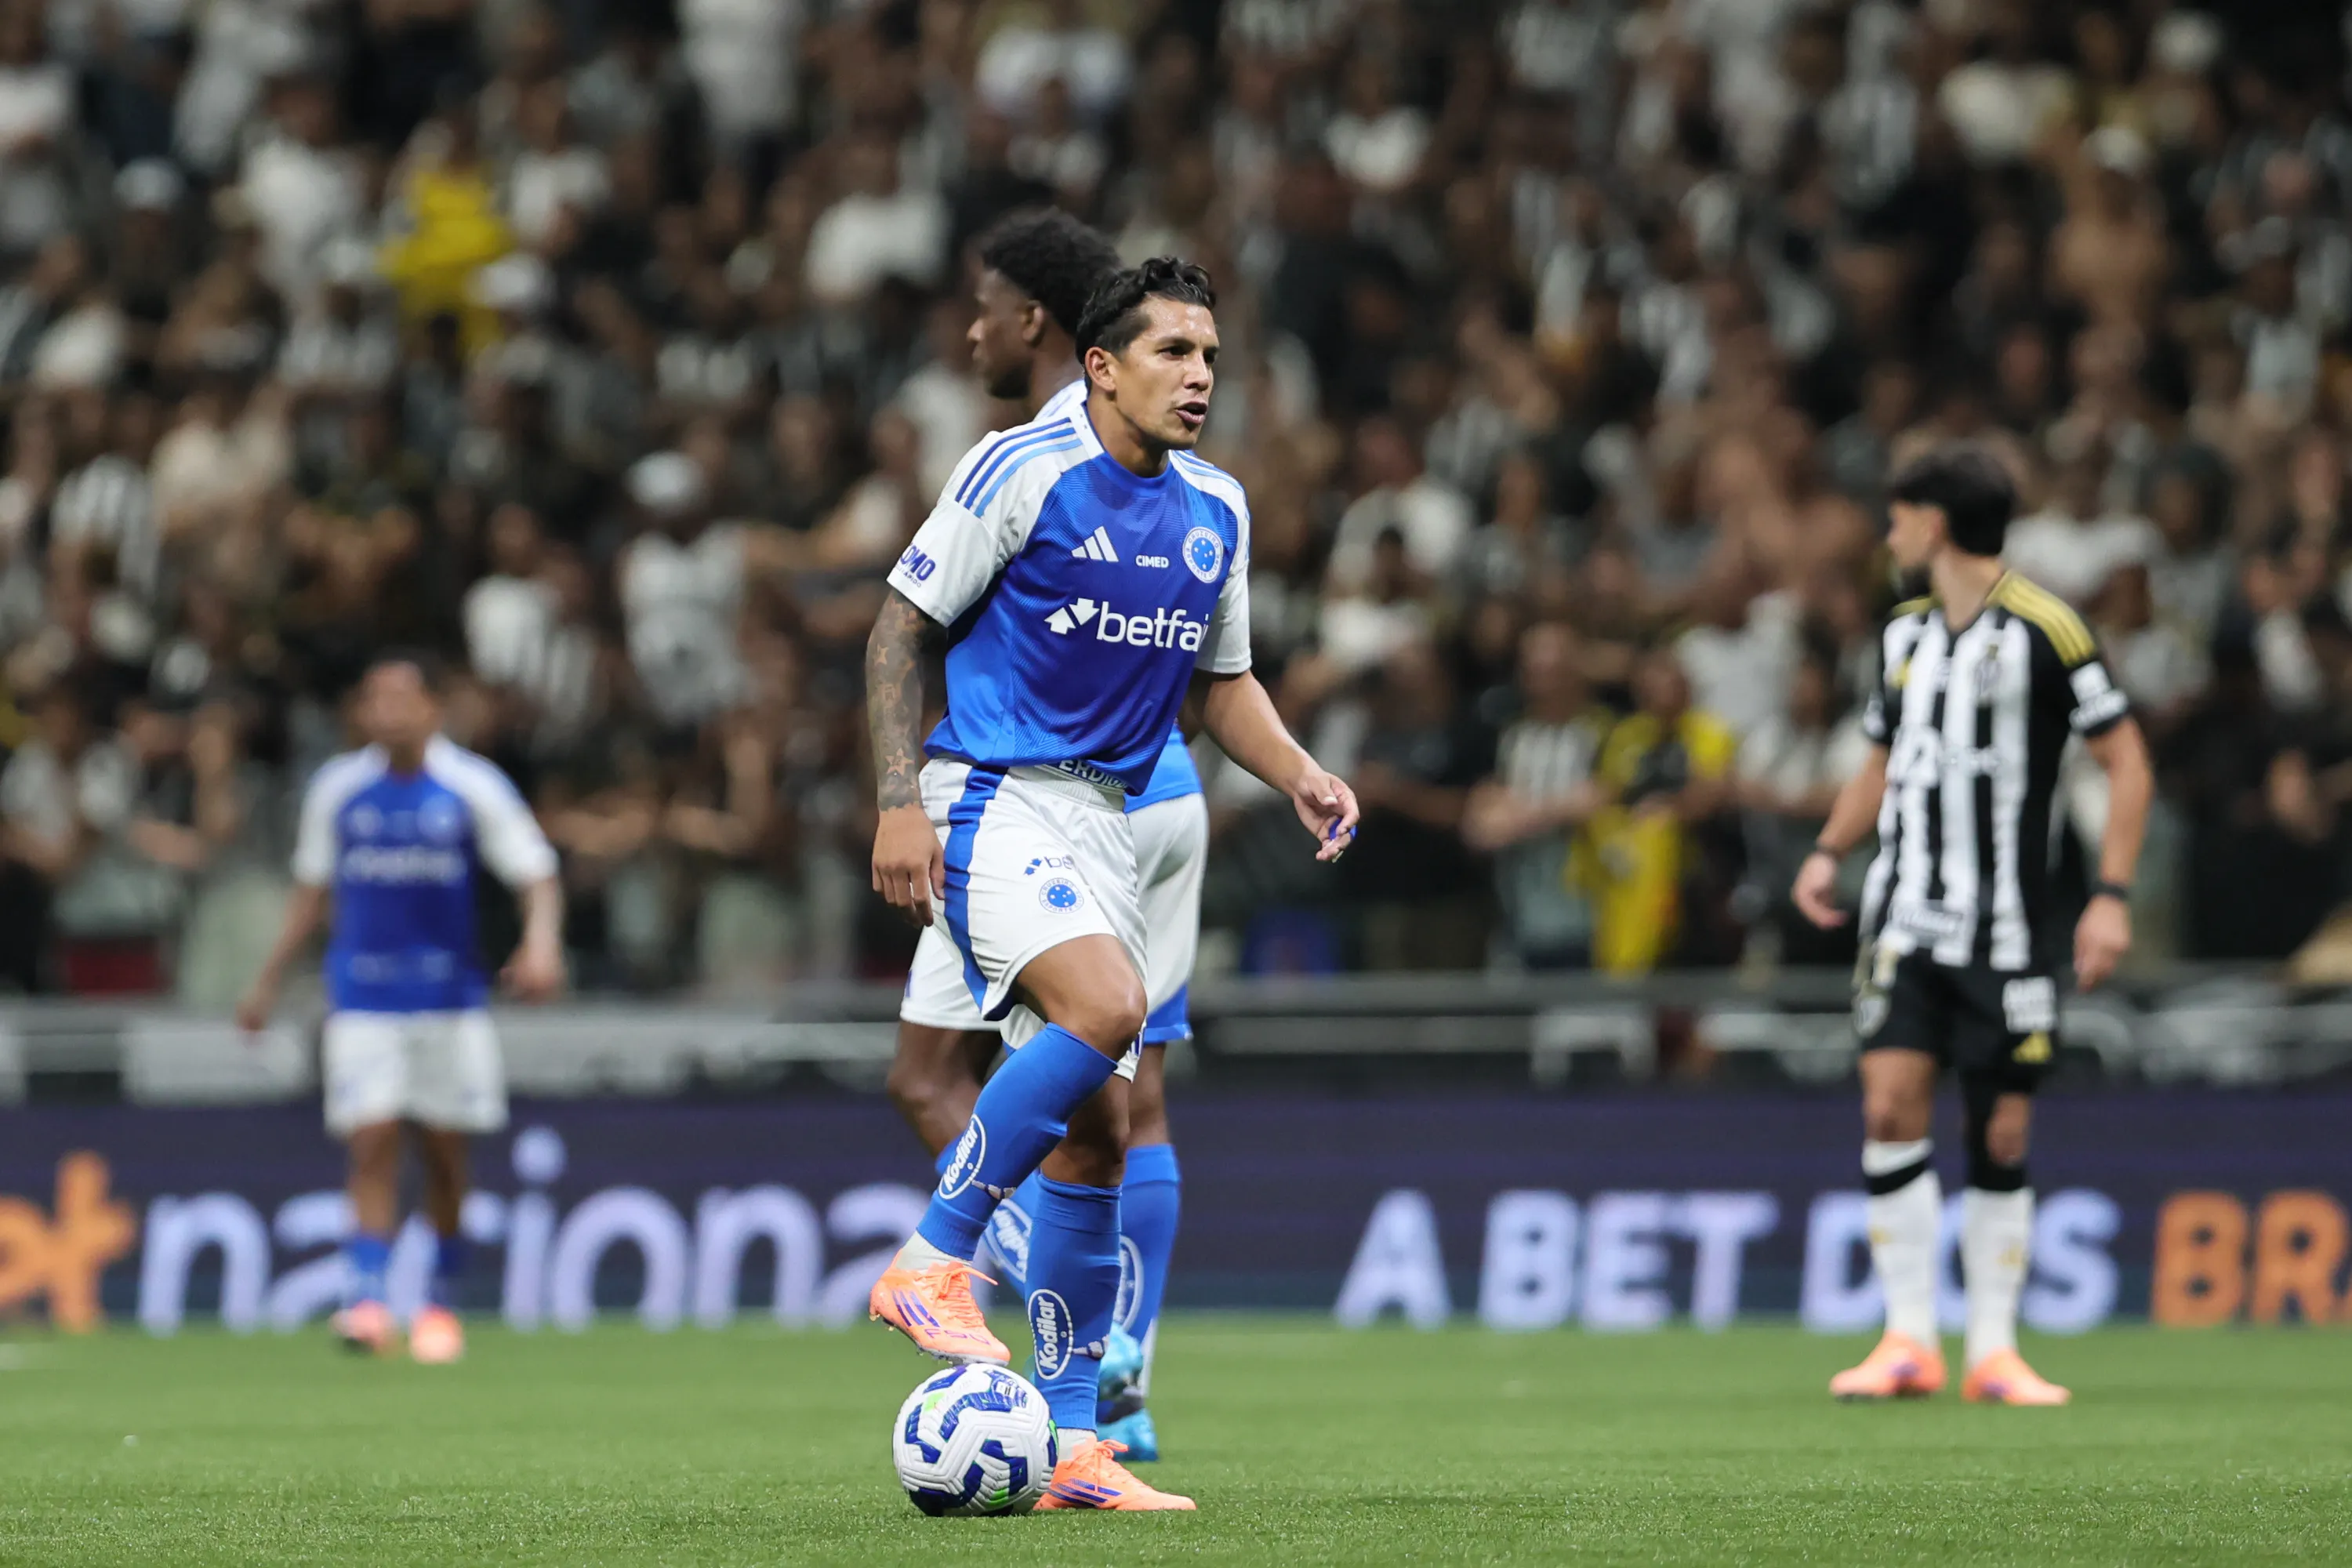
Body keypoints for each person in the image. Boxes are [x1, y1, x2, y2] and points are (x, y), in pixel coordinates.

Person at [863, 257, 1357, 1512]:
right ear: (1100, 364)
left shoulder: (1217, 510)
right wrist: (892, 802)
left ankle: (1074, 1446)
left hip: (1109, 816)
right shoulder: (1016, 469)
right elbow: (897, 630)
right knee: (1107, 1012)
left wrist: (1297, 771)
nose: (1198, 378)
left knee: (1103, 1133)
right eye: (1172, 354)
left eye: (1209, 358)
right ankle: (934, 1254)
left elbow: (1219, 682)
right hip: (992, 790)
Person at [887, 209, 1195, 1461]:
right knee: (1122, 1104)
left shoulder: (1025, 459)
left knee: (946, 1070)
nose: (972, 329)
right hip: (1156, 795)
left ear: (1042, 329)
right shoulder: (1134, 476)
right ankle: (1108, 1390)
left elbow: (910, 625)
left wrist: (904, 792)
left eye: (987, 307)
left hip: (1049, 794)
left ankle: (950, 1259)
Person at [1794, 446, 2153, 1406]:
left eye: (1901, 514)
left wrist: (2110, 896)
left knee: (1998, 1125)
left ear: (1938, 523)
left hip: (2008, 929)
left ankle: (1994, 1346)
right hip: (1903, 917)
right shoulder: (1903, 633)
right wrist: (1830, 849)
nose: (1891, 532)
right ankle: (1909, 1337)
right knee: (1887, 1108)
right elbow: (1881, 757)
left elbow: (2127, 761)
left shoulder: (2049, 628)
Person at [237, 654, 563, 1363]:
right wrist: (265, 982)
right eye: (374, 699)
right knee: (372, 1138)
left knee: (445, 1153)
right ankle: (367, 1302)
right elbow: (310, 895)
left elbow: (536, 871)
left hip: (450, 998)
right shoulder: (339, 790)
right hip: (362, 996)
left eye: (400, 698)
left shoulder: (470, 785)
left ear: (430, 710)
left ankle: (440, 1305)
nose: (387, 712)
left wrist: (541, 946)